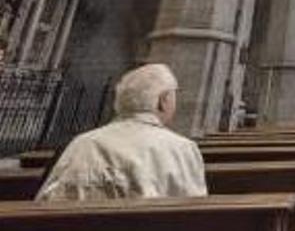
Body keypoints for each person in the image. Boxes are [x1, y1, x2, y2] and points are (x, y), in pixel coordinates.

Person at [38, 63, 207, 201]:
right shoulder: (183, 149)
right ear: (163, 101)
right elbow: (193, 214)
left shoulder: (81, 143)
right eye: (174, 95)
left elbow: (47, 201)